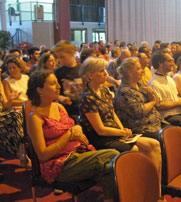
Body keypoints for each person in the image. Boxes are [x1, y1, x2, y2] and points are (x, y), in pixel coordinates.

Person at [26, 70, 119, 202]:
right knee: (113, 154)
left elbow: (73, 128)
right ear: (40, 90)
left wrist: (78, 129)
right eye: (53, 83)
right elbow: (43, 155)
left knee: (108, 171)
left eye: (58, 82)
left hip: (78, 154)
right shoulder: (35, 117)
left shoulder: (59, 107)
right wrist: (69, 135)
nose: (59, 86)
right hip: (59, 166)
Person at [78, 57, 161, 175]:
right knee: (141, 151)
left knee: (154, 144)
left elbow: (112, 113)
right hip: (102, 139)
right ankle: (141, 185)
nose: (106, 73)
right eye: (102, 71)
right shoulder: (87, 98)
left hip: (115, 133)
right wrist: (121, 133)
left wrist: (122, 129)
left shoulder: (104, 90)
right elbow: (100, 130)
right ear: (90, 76)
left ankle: (156, 185)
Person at [149, 51, 181, 146]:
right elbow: (159, 105)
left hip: (180, 111)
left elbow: (174, 96)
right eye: (169, 61)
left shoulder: (169, 78)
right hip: (169, 116)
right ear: (160, 63)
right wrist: (179, 102)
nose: (173, 63)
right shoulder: (154, 83)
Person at [114, 57, 162, 140]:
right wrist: (152, 101)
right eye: (139, 69)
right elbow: (139, 111)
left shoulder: (140, 85)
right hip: (142, 129)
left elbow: (158, 103)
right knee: (168, 139)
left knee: (177, 133)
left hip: (156, 123)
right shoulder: (124, 91)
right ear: (130, 73)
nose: (143, 71)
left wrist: (152, 94)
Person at [53, 40, 83, 118]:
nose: (60, 60)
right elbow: (53, 92)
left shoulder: (82, 69)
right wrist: (60, 98)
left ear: (72, 53)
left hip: (83, 110)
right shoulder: (58, 72)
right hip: (67, 112)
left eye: (62, 57)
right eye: (58, 57)